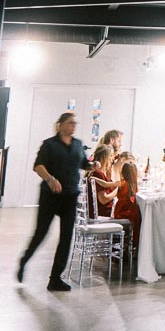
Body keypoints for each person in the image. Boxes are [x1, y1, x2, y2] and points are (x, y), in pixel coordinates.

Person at [17, 112, 99, 292]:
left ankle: (55, 279)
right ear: (60, 125)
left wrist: (93, 166)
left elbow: (83, 164)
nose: (73, 126)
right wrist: (50, 179)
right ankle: (24, 260)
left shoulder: (77, 144)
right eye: (70, 123)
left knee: (66, 237)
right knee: (41, 232)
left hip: (70, 196)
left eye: (74, 123)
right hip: (50, 196)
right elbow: (38, 165)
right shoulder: (49, 144)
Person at [114, 160, 142, 252]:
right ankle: (137, 245)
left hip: (120, 211)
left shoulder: (125, 183)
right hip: (122, 213)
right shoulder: (128, 185)